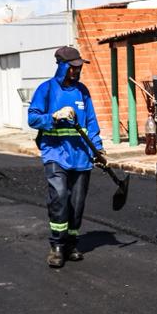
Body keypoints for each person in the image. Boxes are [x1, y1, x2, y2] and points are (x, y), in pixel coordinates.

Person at [26, 46, 105, 269]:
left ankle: (71, 243)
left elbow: (91, 123)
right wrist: (53, 117)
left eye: (79, 67)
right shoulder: (47, 90)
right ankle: (57, 246)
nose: (77, 71)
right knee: (59, 196)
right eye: (73, 67)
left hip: (81, 156)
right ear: (62, 66)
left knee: (77, 203)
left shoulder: (83, 91)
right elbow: (33, 118)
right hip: (55, 153)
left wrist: (98, 150)